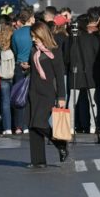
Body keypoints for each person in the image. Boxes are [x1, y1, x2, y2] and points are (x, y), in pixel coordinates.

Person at [26, 21, 67, 168]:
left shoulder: (54, 51)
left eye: (34, 36)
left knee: (39, 122)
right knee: (32, 125)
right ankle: (38, 160)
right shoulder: (33, 50)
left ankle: (60, 144)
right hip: (33, 91)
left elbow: (60, 76)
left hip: (48, 92)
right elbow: (34, 71)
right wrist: (26, 66)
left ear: (42, 34)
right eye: (32, 36)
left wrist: (61, 97)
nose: (33, 39)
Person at [64, 14, 100, 133]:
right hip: (90, 72)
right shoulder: (92, 38)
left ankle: (70, 127)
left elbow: (66, 58)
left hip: (75, 72)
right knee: (93, 101)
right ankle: (93, 126)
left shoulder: (71, 38)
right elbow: (97, 55)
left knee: (72, 102)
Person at [11, 9, 35, 134]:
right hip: (33, 66)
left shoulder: (16, 34)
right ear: (30, 19)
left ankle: (19, 125)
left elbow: (14, 50)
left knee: (19, 95)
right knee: (31, 96)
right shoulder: (34, 32)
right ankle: (28, 123)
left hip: (19, 65)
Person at [0, 24, 15, 135]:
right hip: (13, 75)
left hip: (3, 77)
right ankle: (19, 125)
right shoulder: (13, 45)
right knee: (18, 100)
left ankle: (7, 127)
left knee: (5, 102)